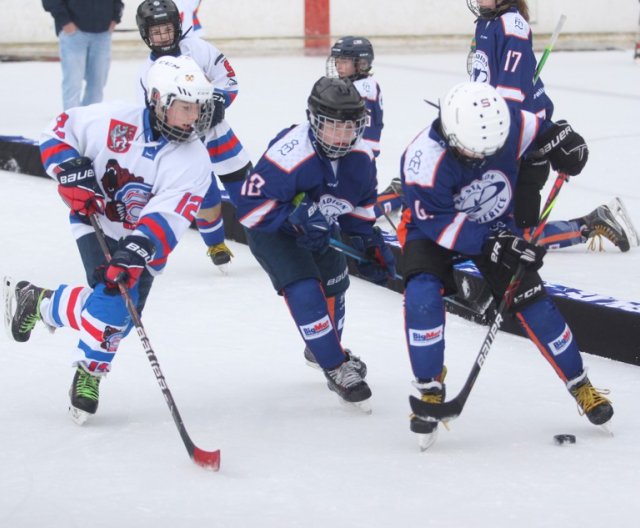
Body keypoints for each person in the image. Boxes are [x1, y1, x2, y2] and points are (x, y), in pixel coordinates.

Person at [398, 81, 613, 449]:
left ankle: (580, 383)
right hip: (434, 228)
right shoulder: (423, 160)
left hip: (496, 223)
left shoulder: (509, 122)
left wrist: (565, 143)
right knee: (421, 295)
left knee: (534, 301)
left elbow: (544, 133)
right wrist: (490, 242)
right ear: (449, 133)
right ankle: (430, 388)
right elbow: (440, 224)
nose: (481, 158)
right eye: (471, 150)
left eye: (491, 150)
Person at [4, 55, 214, 424]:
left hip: (143, 241)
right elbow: (58, 130)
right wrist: (69, 170)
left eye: (197, 107)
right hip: (96, 219)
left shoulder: (194, 159)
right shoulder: (112, 120)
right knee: (114, 302)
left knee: (122, 316)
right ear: (158, 100)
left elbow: (170, 214)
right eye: (184, 107)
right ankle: (89, 374)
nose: (193, 117)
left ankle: (37, 301)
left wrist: (136, 251)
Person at [235, 76, 396, 410]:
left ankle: (320, 347)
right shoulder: (290, 152)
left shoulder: (362, 158)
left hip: (320, 227)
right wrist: (295, 215)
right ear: (315, 121)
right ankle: (337, 367)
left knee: (335, 284)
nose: (342, 136)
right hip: (272, 230)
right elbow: (249, 208)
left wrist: (369, 245)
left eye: (350, 127)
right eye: (333, 127)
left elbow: (359, 210)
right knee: (305, 287)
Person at [466, 0, 638, 252]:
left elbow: (508, 101)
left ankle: (591, 223)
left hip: (523, 140)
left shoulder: (512, 25)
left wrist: (493, 144)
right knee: (479, 225)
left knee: (518, 239)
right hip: (496, 132)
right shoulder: (485, 21)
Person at [136, 0, 252, 270]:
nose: (163, 37)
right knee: (204, 194)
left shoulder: (198, 48)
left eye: (167, 30)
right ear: (145, 34)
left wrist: (219, 102)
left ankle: (269, 240)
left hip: (217, 134)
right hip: (185, 142)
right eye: (156, 32)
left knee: (246, 190)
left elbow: (228, 77)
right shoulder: (147, 73)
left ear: (177, 27)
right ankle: (215, 244)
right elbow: (151, 113)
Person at [326, 36, 404, 221]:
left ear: (361, 63)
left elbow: (362, 135)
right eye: (337, 60)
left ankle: (396, 196)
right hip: (346, 153)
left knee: (356, 215)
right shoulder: (354, 85)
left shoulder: (363, 88)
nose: (338, 66)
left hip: (358, 158)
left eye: (344, 61)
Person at [42, 0, 124, 111]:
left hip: (103, 34)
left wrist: (115, 18)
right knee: (73, 83)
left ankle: (88, 121)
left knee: (97, 83)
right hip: (73, 34)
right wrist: (65, 22)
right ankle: (72, 123)